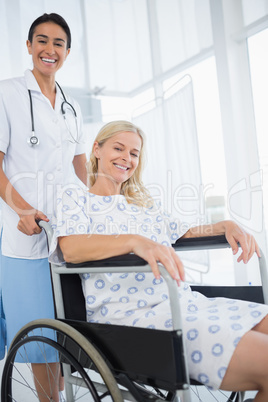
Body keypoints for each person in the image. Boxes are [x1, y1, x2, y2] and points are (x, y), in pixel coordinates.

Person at [50, 120, 268, 401]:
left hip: (186, 303)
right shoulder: (75, 198)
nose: (126, 158)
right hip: (134, 318)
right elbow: (71, 249)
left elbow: (184, 231)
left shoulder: (142, 203)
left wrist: (224, 224)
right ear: (96, 150)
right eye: (118, 148)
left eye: (134, 153)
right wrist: (133, 241)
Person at [0, 13, 87, 402]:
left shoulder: (72, 106)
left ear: (68, 52)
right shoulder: (7, 93)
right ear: (29, 46)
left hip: (65, 232)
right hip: (23, 233)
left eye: (58, 43)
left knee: (67, 331)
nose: (49, 49)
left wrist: (101, 209)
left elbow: (80, 165)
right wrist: (21, 209)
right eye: (41, 40)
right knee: (37, 334)